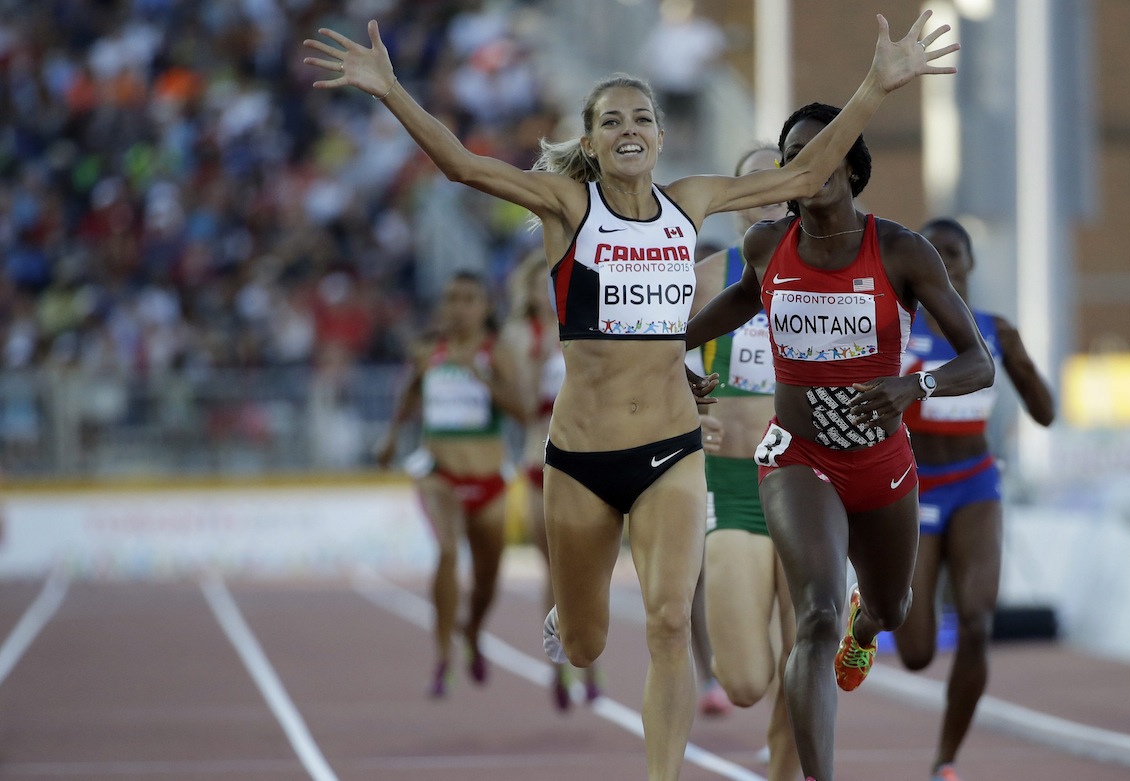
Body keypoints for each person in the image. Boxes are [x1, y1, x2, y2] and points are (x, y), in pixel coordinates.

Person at [305, 14, 955, 778]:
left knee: (670, 620)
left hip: (673, 451)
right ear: (590, 143)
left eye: (641, 115)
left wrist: (875, 84)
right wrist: (391, 92)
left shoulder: (694, 202)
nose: (628, 128)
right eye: (610, 119)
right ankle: (570, 616)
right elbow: (461, 166)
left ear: (660, 134)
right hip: (581, 456)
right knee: (584, 643)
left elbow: (806, 177)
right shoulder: (567, 208)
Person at [686, 105, 994, 781]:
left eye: (821, 151)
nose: (807, 165)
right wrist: (673, 358)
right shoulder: (767, 246)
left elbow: (979, 361)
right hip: (798, 457)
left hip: (880, 461)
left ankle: (866, 625)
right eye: (794, 154)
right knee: (813, 616)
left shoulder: (902, 250)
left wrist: (916, 388)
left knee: (891, 607)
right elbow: (737, 301)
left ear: (851, 166)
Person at [892, 218, 1055, 781]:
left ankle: (945, 759)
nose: (944, 259)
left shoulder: (991, 329)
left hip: (974, 481)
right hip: (912, 487)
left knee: (978, 622)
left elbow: (1046, 413)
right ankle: (871, 608)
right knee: (914, 654)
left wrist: (1019, 360)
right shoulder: (895, 327)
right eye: (932, 251)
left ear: (969, 263)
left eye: (954, 251)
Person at [690, 143, 799, 778]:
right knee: (745, 682)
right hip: (732, 486)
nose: (763, 196)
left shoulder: (833, 278)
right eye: (749, 186)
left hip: (810, 482)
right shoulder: (707, 276)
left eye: (776, 183)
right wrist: (682, 412)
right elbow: (657, 366)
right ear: (731, 202)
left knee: (805, 649)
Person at [375, 273, 528, 698]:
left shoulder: (496, 351)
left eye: (468, 299)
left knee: (487, 580)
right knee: (445, 550)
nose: (459, 307)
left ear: (484, 307)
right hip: (438, 473)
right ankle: (442, 658)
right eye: (451, 299)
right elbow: (407, 396)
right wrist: (389, 438)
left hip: (489, 478)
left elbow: (523, 410)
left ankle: (473, 632)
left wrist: (487, 383)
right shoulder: (428, 350)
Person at [499, 249, 601, 711]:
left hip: (589, 458)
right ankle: (558, 666)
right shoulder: (520, 336)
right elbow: (520, 407)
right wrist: (538, 364)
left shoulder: (586, 325)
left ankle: (590, 661)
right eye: (538, 284)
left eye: (553, 282)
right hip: (537, 460)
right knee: (555, 570)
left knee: (590, 569)